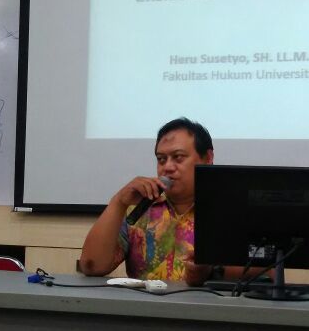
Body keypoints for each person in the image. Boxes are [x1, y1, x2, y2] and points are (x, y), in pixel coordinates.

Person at [79, 117, 224, 285]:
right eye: (161, 159)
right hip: (143, 302)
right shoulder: (139, 211)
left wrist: (209, 272)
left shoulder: (226, 210)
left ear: (207, 158)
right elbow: (92, 266)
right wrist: (118, 202)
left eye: (178, 157)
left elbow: (248, 273)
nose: (167, 167)